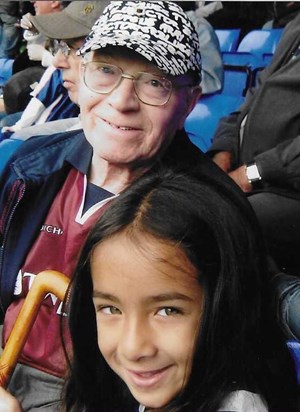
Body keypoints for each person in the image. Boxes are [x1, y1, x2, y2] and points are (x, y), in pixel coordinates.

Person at [0, 2, 247, 410]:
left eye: (154, 82)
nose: (121, 101)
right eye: (106, 70)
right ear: (82, 73)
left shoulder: (211, 211)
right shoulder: (29, 166)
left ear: (188, 101)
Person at [64, 168, 299, 412]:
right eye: (111, 308)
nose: (132, 348)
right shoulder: (130, 391)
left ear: (228, 306)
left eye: (168, 311)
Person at [207, 9, 300, 340]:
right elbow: (250, 100)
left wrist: (252, 173)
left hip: (288, 190)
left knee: (215, 220)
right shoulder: (296, 25)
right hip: (255, 176)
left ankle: (279, 305)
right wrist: (223, 151)